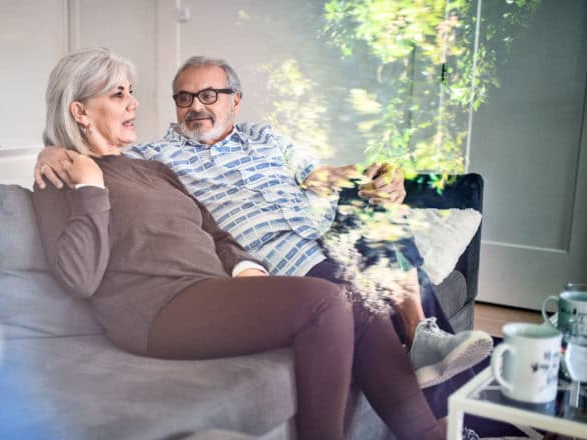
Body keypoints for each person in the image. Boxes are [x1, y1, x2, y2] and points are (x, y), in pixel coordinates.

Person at [33, 46, 446, 440]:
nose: (133, 103)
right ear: (80, 111)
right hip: (156, 309)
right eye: (118, 94)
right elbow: (79, 279)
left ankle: (428, 432)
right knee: (326, 302)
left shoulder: (152, 168)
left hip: (212, 288)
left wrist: (247, 269)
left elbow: (214, 232)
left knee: (357, 301)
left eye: (132, 92)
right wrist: (83, 180)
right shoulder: (60, 179)